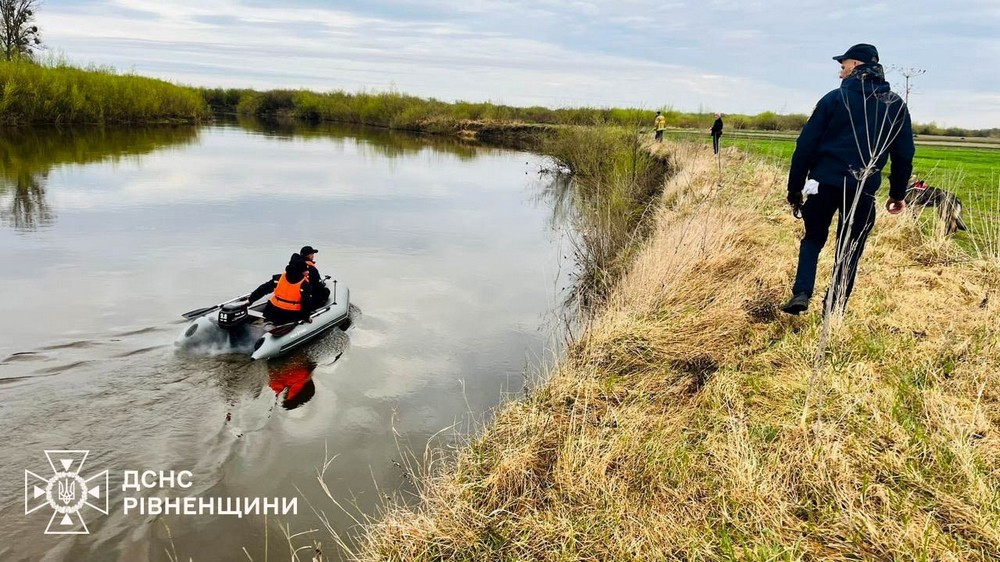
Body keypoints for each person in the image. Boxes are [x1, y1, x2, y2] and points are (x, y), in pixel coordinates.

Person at [780, 43, 914, 316]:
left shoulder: (834, 99)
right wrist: (897, 194)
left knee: (813, 238)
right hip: (863, 189)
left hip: (823, 184)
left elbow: (805, 146)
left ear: (855, 65)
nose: (840, 73)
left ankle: (802, 292)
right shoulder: (895, 105)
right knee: (850, 248)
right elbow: (904, 154)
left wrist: (795, 188)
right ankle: (834, 307)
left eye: (843, 66)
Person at [247, 259, 315, 324]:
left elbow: (263, 289)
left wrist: (251, 299)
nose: (308, 272)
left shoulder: (279, 278)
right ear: (300, 271)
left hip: (272, 311)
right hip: (291, 314)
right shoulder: (304, 285)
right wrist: (307, 317)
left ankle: (264, 322)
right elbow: (306, 303)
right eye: (306, 270)